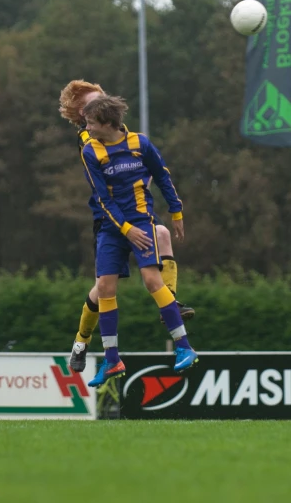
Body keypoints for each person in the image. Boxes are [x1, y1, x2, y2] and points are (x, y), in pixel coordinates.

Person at [58, 80, 195, 373]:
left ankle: (170, 305)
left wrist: (173, 206)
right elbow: (107, 185)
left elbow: (152, 167)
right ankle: (81, 342)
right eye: (95, 101)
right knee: (103, 288)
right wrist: (133, 174)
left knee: (161, 234)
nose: (101, 101)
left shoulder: (129, 137)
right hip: (109, 217)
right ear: (84, 114)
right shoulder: (89, 140)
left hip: (137, 211)